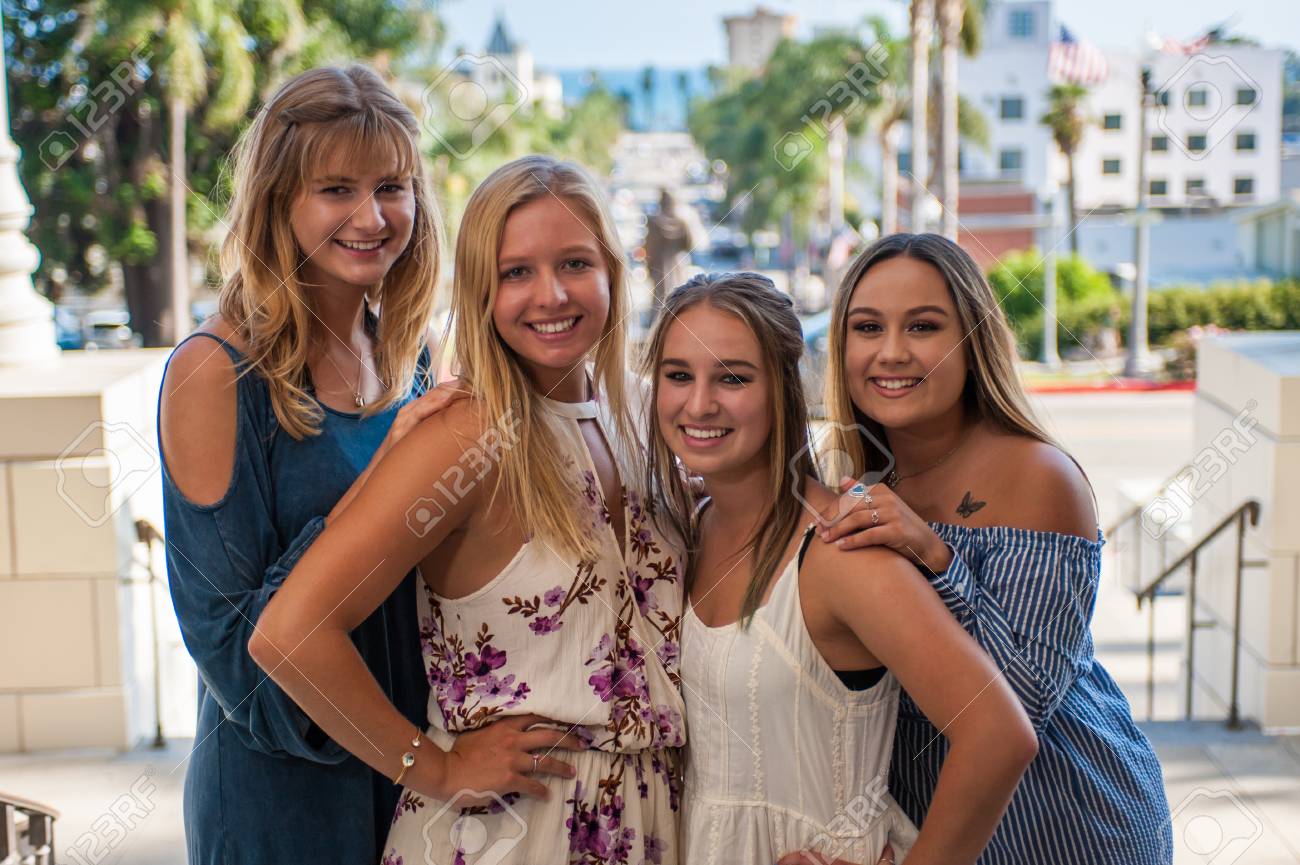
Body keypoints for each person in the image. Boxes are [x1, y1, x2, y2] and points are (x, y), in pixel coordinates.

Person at [251, 156, 687, 865]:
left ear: (613, 269)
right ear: (482, 292)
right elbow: (288, 634)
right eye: (516, 273)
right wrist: (436, 768)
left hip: (653, 823)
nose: (550, 294)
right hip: (511, 834)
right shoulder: (466, 435)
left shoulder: (643, 411)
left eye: (575, 263)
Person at [159, 65, 461, 864]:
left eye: (392, 187)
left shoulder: (413, 356)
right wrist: (387, 476)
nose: (372, 216)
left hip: (414, 783)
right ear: (277, 202)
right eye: (336, 190)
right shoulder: (213, 372)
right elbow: (239, 661)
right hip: (284, 803)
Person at [643, 271, 1038, 865]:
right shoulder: (689, 529)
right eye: (678, 375)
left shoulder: (840, 551)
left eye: (733, 377)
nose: (699, 403)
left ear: (783, 389)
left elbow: (999, 736)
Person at [817, 233, 1174, 864]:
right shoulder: (849, 475)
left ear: (972, 338)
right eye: (867, 327)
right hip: (935, 830)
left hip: (1066, 828)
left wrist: (933, 555)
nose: (891, 352)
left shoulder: (1038, 476)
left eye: (923, 326)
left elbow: (1022, 703)